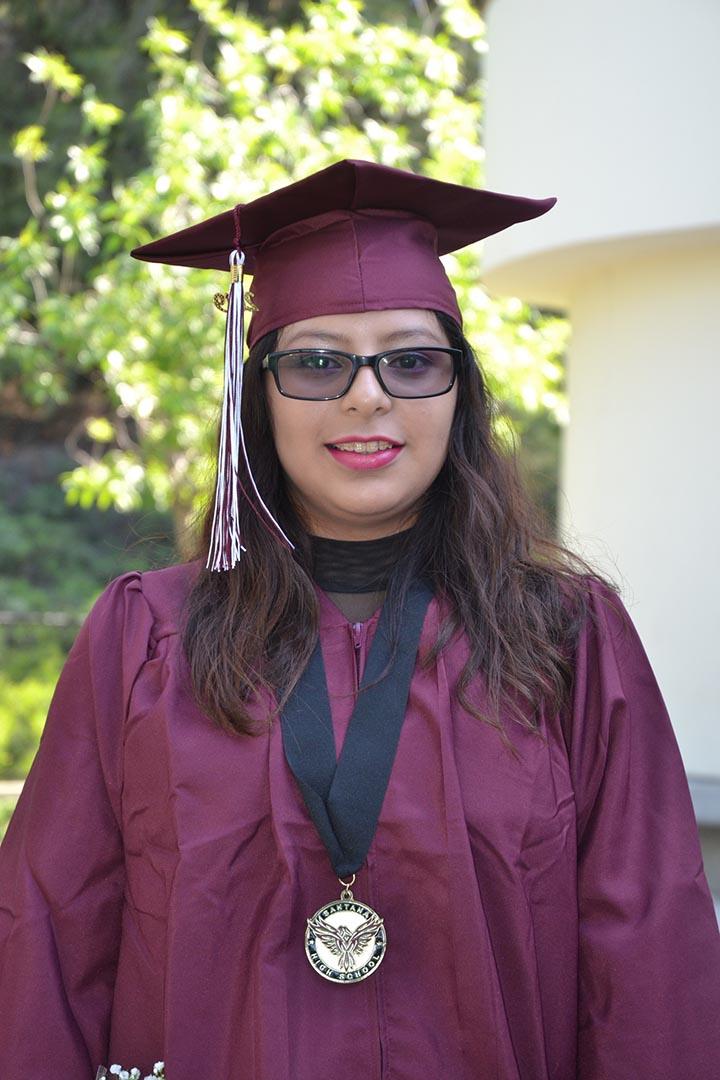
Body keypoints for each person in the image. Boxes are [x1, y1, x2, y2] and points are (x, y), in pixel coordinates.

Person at [0, 159, 718, 1080]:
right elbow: (49, 938)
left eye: (412, 361)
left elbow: (648, 950)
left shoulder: (565, 638)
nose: (366, 396)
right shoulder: (146, 637)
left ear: (461, 392)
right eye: (317, 362)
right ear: (258, 392)